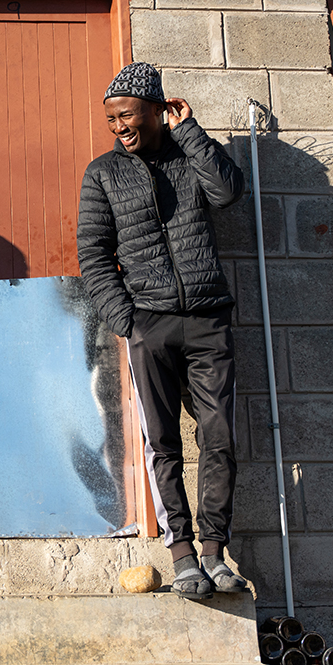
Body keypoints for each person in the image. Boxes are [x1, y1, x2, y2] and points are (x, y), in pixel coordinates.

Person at [76, 62, 248, 601]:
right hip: (149, 324)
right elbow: (93, 256)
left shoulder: (186, 156)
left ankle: (216, 552)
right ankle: (183, 557)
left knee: (220, 435)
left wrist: (189, 131)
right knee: (162, 441)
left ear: (156, 110)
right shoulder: (102, 174)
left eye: (127, 115)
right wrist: (130, 324)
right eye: (111, 120)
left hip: (207, 317)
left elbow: (226, 193)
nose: (119, 127)